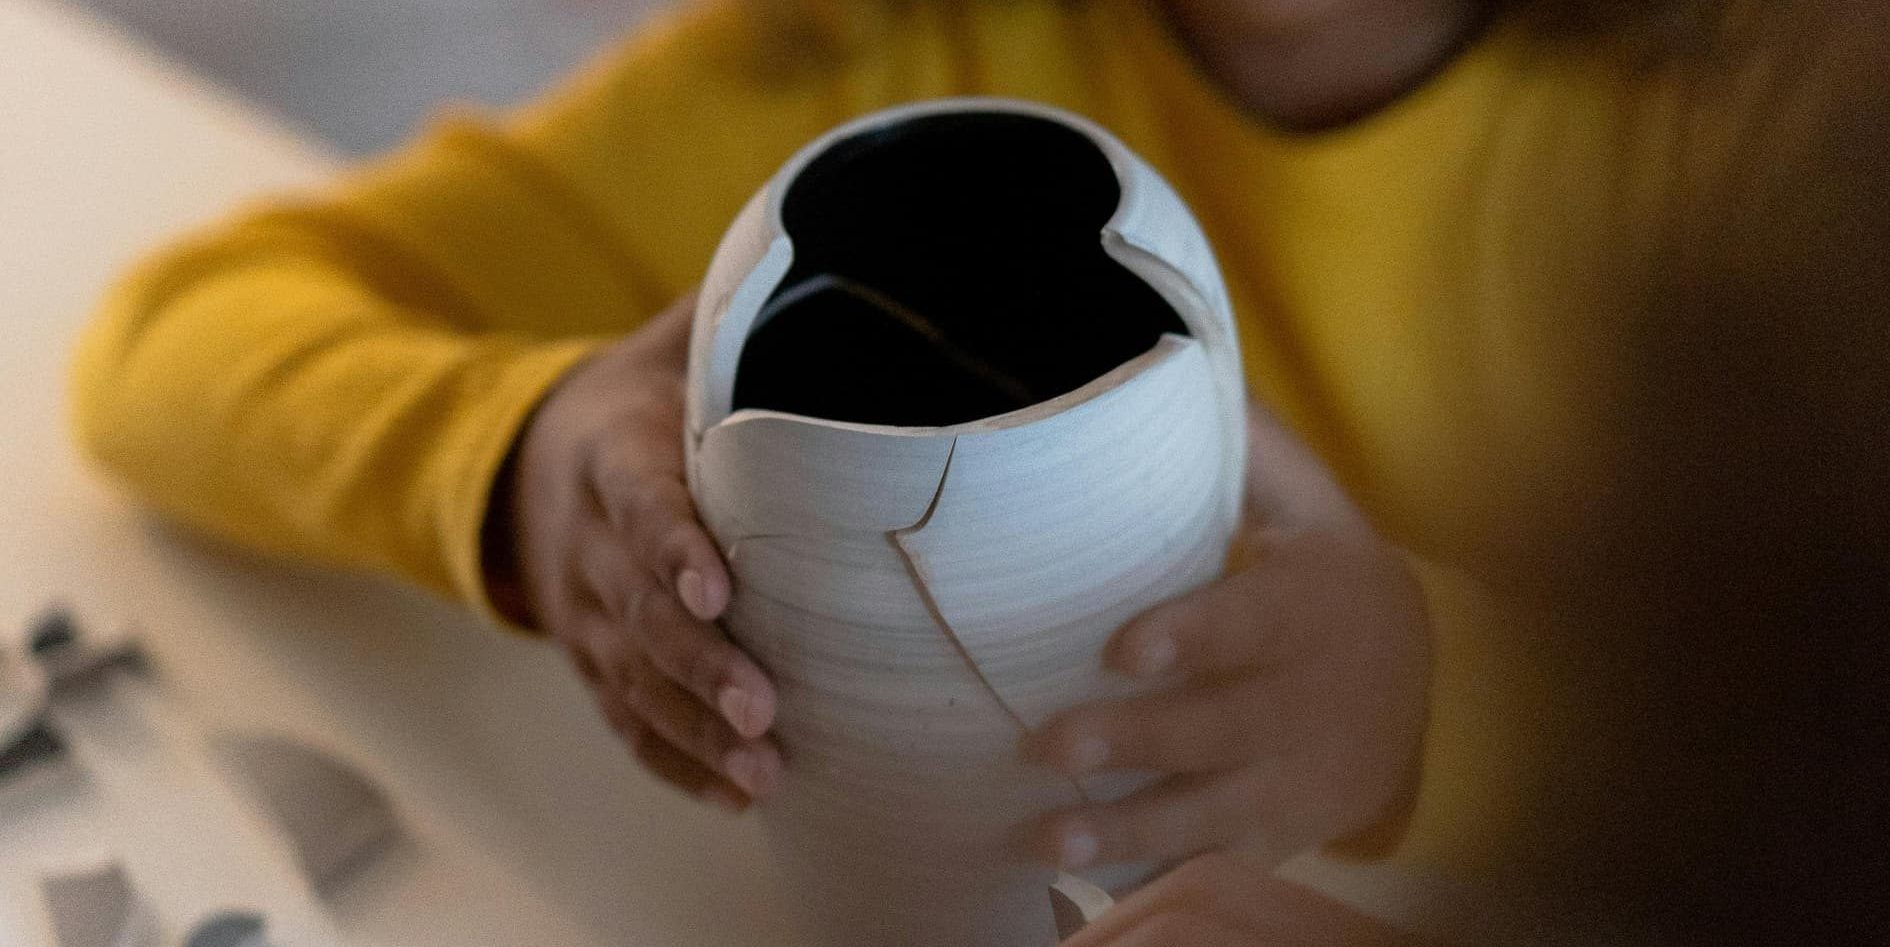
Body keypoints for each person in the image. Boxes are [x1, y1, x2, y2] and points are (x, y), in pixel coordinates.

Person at [72, 0, 1887, 942]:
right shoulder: (871, 53)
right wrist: (523, 465)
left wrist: (1447, 699)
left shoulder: (1767, 155)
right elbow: (170, 341)